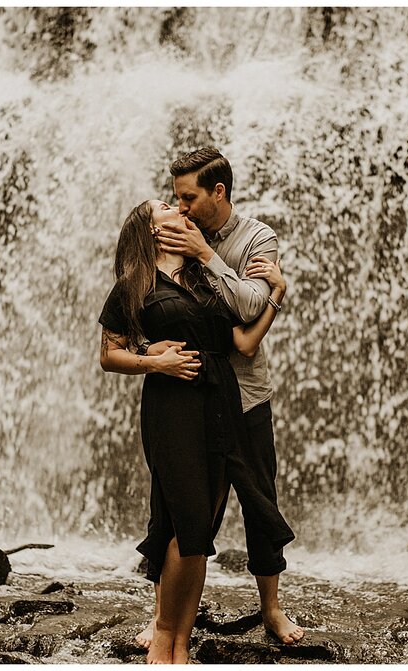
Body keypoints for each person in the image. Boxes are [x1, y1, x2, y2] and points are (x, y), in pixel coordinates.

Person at [99, 199, 294, 664]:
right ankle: (164, 639)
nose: (178, 205)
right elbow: (109, 355)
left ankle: (180, 644)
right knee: (184, 522)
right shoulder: (133, 285)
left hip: (221, 402)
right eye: (166, 205)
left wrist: (276, 295)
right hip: (173, 408)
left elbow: (244, 342)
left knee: (200, 529)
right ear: (150, 230)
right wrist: (155, 361)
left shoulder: (207, 276)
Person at [136, 147, 304, 647]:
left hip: (246, 394)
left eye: (187, 196)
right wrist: (148, 349)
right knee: (175, 507)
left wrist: (206, 256)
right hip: (189, 397)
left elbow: (249, 311)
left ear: (218, 192)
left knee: (259, 498)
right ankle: (162, 619)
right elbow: (146, 300)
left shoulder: (257, 237)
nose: (179, 206)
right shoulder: (173, 231)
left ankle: (271, 608)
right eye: (175, 196)